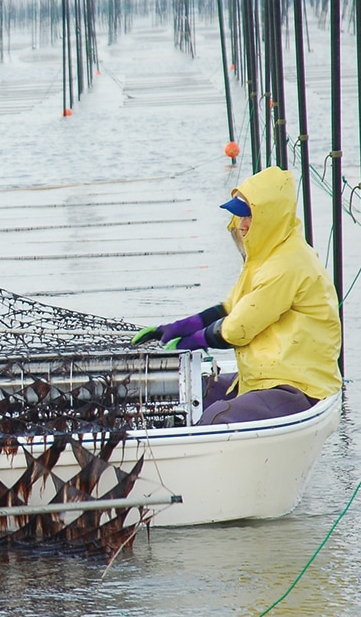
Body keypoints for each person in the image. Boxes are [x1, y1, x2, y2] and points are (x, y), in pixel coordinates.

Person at [132, 166, 342, 424]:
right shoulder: (266, 255)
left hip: (298, 385)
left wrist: (190, 343)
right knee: (192, 393)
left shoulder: (287, 265)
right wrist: (176, 328)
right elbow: (232, 307)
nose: (242, 225)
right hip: (263, 377)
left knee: (216, 416)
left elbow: (238, 328)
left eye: (249, 217)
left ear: (269, 217)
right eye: (239, 217)